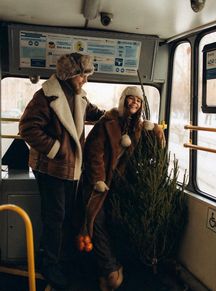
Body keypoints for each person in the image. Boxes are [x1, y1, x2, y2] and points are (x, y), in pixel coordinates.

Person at [19, 52, 105, 289]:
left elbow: (93, 113)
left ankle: (64, 259)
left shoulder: (79, 95)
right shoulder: (45, 97)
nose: (85, 80)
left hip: (70, 168)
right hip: (51, 167)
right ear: (70, 75)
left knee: (68, 215)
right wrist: (56, 149)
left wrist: (111, 117)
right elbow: (27, 128)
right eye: (82, 76)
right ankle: (49, 266)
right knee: (54, 218)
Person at [76, 86, 165, 291]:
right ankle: (110, 270)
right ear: (123, 100)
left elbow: (148, 150)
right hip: (98, 184)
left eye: (138, 101)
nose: (134, 103)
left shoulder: (137, 127)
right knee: (96, 222)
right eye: (131, 99)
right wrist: (98, 180)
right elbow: (94, 153)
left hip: (117, 183)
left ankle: (107, 271)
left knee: (113, 223)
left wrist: (156, 131)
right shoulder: (107, 122)